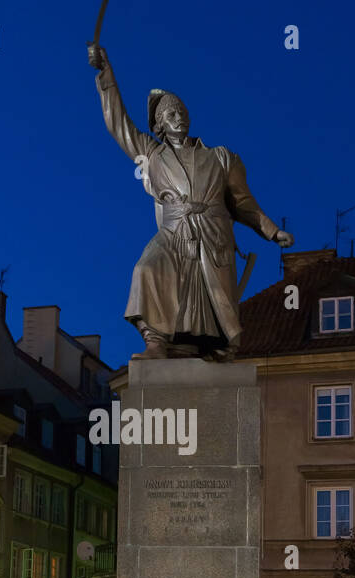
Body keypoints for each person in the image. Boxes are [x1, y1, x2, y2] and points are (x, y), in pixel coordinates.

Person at [87, 42, 293, 360]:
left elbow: (243, 201)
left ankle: (205, 346)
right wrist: (106, 75)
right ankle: (155, 342)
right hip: (173, 231)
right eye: (170, 113)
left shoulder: (221, 157)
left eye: (182, 111)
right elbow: (119, 125)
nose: (179, 116)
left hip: (213, 233)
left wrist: (271, 230)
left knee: (212, 305)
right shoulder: (152, 154)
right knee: (146, 268)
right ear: (158, 125)